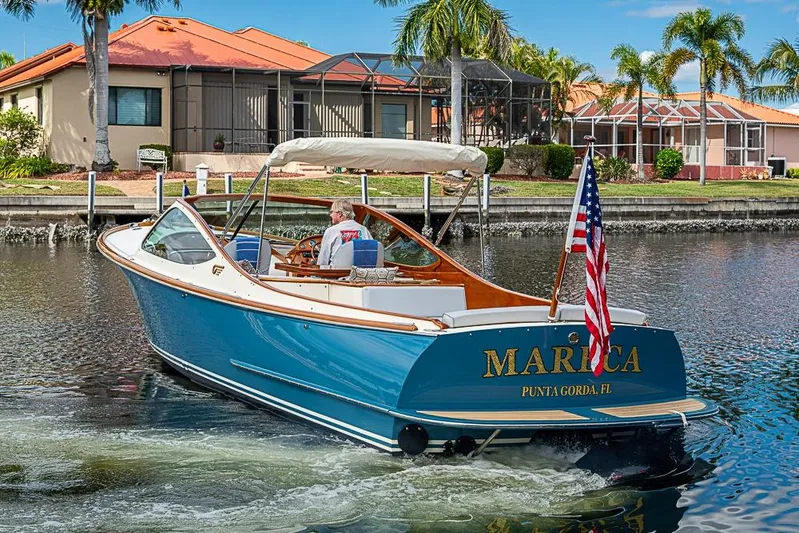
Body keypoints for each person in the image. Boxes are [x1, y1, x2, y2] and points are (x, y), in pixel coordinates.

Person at [317, 199, 372, 266]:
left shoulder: (331, 231)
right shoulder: (363, 230)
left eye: (332, 212)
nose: (330, 215)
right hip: (359, 274)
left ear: (340, 214)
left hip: (336, 274)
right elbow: (371, 254)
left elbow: (322, 262)